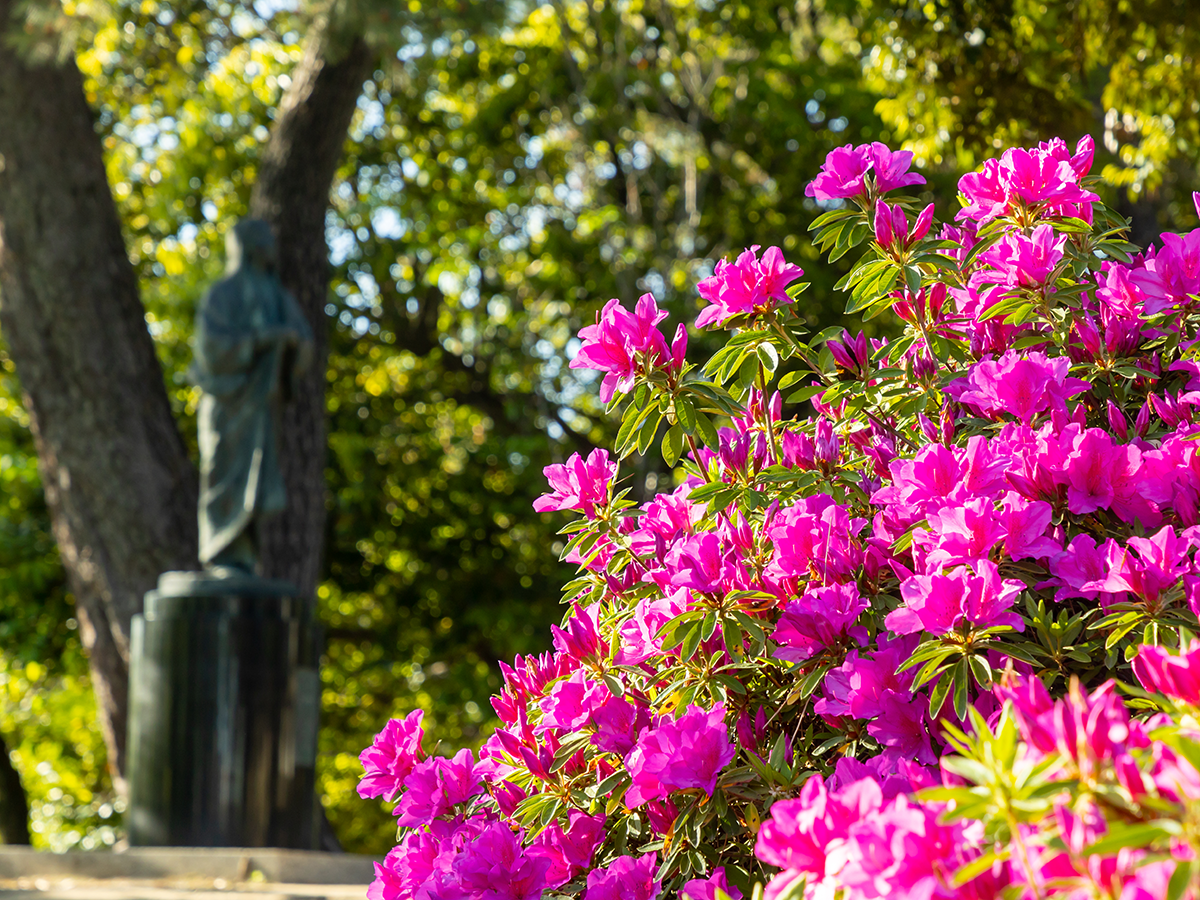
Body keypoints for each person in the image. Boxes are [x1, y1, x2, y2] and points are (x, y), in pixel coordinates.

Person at [191, 219, 313, 575]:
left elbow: (303, 339)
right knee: (222, 473)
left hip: (261, 405)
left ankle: (244, 556)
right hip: (228, 402)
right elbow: (211, 350)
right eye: (264, 241)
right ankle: (219, 551)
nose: (271, 247)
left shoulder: (277, 295)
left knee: (258, 478)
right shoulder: (223, 294)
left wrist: (292, 343)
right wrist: (261, 340)